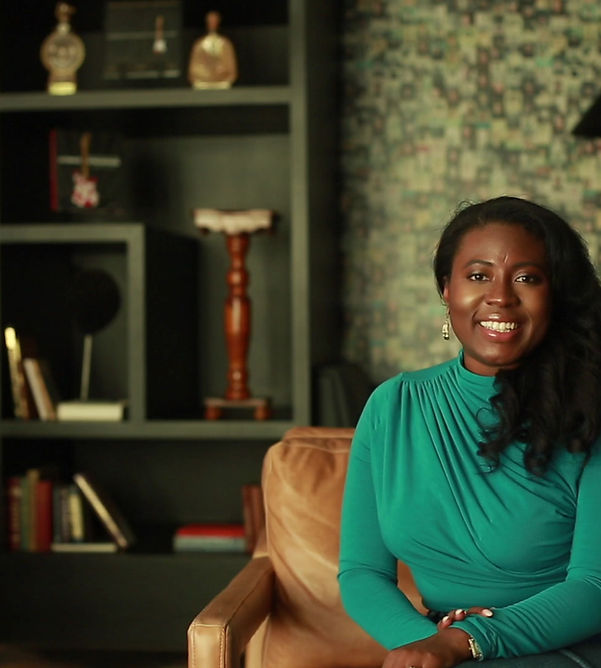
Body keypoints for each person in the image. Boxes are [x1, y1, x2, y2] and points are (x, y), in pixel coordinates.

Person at [338, 195, 601, 667]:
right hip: (440, 644)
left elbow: (595, 586)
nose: (500, 296)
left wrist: (466, 641)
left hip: (565, 646)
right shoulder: (393, 406)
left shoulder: (591, 412)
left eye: (527, 278)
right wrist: (427, 645)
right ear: (446, 289)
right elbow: (362, 572)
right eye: (479, 276)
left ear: (556, 294)